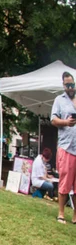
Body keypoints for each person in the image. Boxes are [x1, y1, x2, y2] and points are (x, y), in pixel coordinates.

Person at [50, 71, 76, 224]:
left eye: (72, 84)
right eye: (68, 85)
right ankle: (61, 213)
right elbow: (53, 120)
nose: (71, 87)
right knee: (65, 181)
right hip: (66, 147)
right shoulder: (59, 100)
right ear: (63, 85)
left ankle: (75, 216)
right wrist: (66, 123)